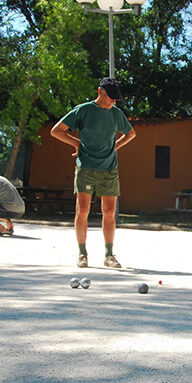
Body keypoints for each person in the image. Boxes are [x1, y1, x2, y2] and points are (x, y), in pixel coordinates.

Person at [51, 77, 136, 269]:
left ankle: (109, 255)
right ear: (100, 92)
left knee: (109, 212)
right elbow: (57, 131)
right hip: (86, 168)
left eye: (116, 99)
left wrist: (116, 147)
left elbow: (131, 133)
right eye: (111, 98)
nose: (114, 102)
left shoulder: (116, 113)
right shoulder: (84, 110)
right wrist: (76, 144)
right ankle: (82, 253)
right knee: (82, 210)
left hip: (109, 169)